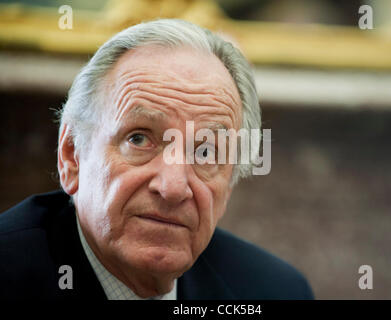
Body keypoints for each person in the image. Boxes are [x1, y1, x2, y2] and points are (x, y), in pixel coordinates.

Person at [0, 19, 313, 300]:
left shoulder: (274, 291)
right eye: (138, 139)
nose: (173, 188)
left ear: (228, 187)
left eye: (206, 152)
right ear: (71, 156)